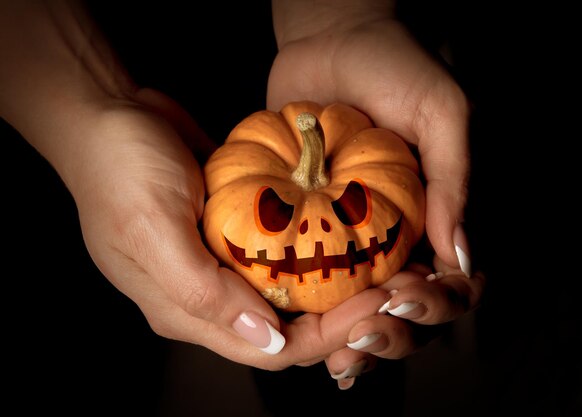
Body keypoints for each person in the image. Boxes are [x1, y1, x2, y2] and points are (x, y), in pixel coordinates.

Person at [0, 0, 484, 392]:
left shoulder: (368, 154)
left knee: (365, 335)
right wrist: (87, 112)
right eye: (277, 213)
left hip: (323, 70)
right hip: (145, 66)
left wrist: (337, 16)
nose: (317, 237)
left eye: (349, 206)